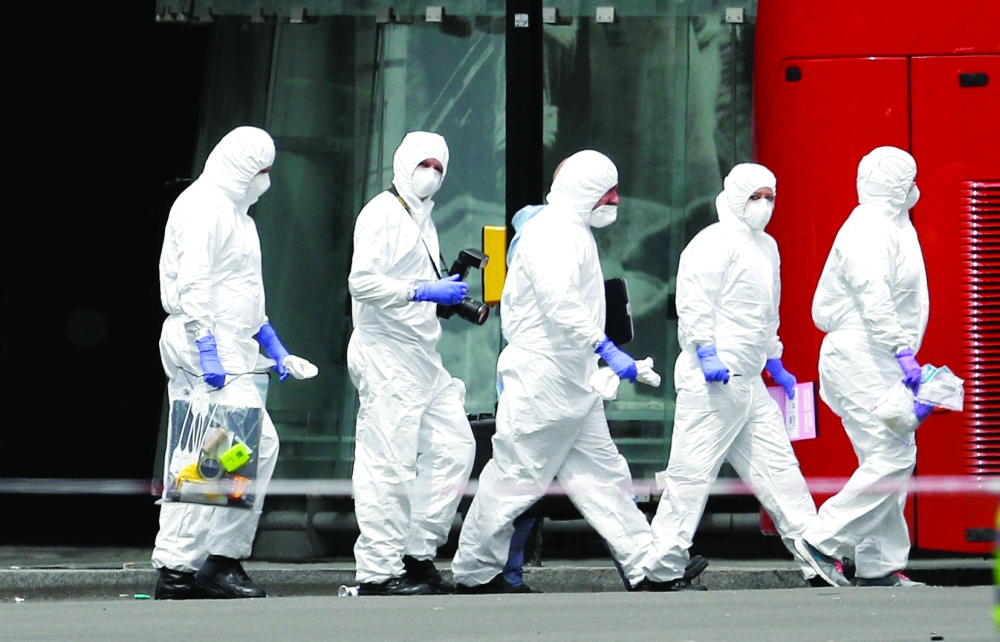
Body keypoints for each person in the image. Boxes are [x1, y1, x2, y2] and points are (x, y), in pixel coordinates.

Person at [451, 150, 661, 593]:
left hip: (571, 379)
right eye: (608, 192)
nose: (616, 201)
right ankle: (475, 572)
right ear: (586, 191)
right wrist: (605, 346)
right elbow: (559, 302)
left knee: (604, 477)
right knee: (515, 478)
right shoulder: (552, 234)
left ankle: (649, 566)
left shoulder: (570, 230)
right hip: (544, 379)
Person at [154, 126, 317, 600]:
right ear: (242, 169)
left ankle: (220, 559)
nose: (266, 180)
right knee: (212, 453)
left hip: (232, 346)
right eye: (261, 172)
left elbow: (245, 294)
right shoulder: (205, 207)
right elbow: (195, 285)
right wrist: (206, 346)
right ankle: (179, 567)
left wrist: (275, 346)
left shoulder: (239, 215)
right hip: (202, 342)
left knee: (253, 447)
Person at [642, 163, 820, 591]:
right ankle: (662, 567)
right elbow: (695, 302)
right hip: (712, 382)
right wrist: (705, 351)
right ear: (736, 196)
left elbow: (765, 310)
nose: (764, 206)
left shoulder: (768, 247)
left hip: (748, 381)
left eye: (770, 197)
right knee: (691, 475)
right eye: (755, 197)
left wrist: (773, 358)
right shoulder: (712, 243)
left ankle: (819, 556)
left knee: (780, 469)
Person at [347, 131, 476, 596]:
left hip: (423, 353)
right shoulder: (381, 213)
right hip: (386, 351)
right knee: (389, 461)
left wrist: (444, 290)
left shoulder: (425, 219)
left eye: (440, 168)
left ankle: (415, 553)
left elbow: (413, 281)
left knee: (455, 447)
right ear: (403, 162)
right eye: (425, 164)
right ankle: (378, 570)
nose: (432, 175)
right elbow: (361, 282)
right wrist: (422, 291)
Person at [794, 146, 929, 588]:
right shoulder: (870, 227)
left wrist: (900, 352)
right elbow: (873, 294)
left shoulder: (892, 225)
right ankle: (821, 540)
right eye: (907, 178)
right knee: (894, 454)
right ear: (895, 184)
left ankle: (879, 566)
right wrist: (901, 349)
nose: (913, 187)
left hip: (877, 357)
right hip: (862, 356)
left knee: (883, 455)